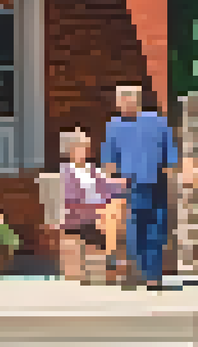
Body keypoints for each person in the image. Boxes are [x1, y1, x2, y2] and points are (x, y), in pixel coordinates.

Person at [101, 85, 192, 290]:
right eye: (120, 99)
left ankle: (153, 276)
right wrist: (112, 183)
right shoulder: (114, 126)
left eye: (127, 98)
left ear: (137, 100)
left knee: (157, 230)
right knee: (136, 230)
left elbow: (169, 154)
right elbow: (109, 160)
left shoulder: (158, 122)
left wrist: (172, 178)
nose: (123, 103)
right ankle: (142, 270)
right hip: (131, 184)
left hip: (157, 182)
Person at [60, 128, 128, 284]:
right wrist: (98, 208)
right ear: (69, 149)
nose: (85, 150)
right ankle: (112, 257)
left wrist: (132, 182)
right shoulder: (66, 172)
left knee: (119, 204)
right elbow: (71, 200)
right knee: (113, 210)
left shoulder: (92, 170)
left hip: (101, 212)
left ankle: (114, 257)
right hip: (80, 214)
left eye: (86, 146)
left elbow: (111, 187)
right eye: (80, 146)